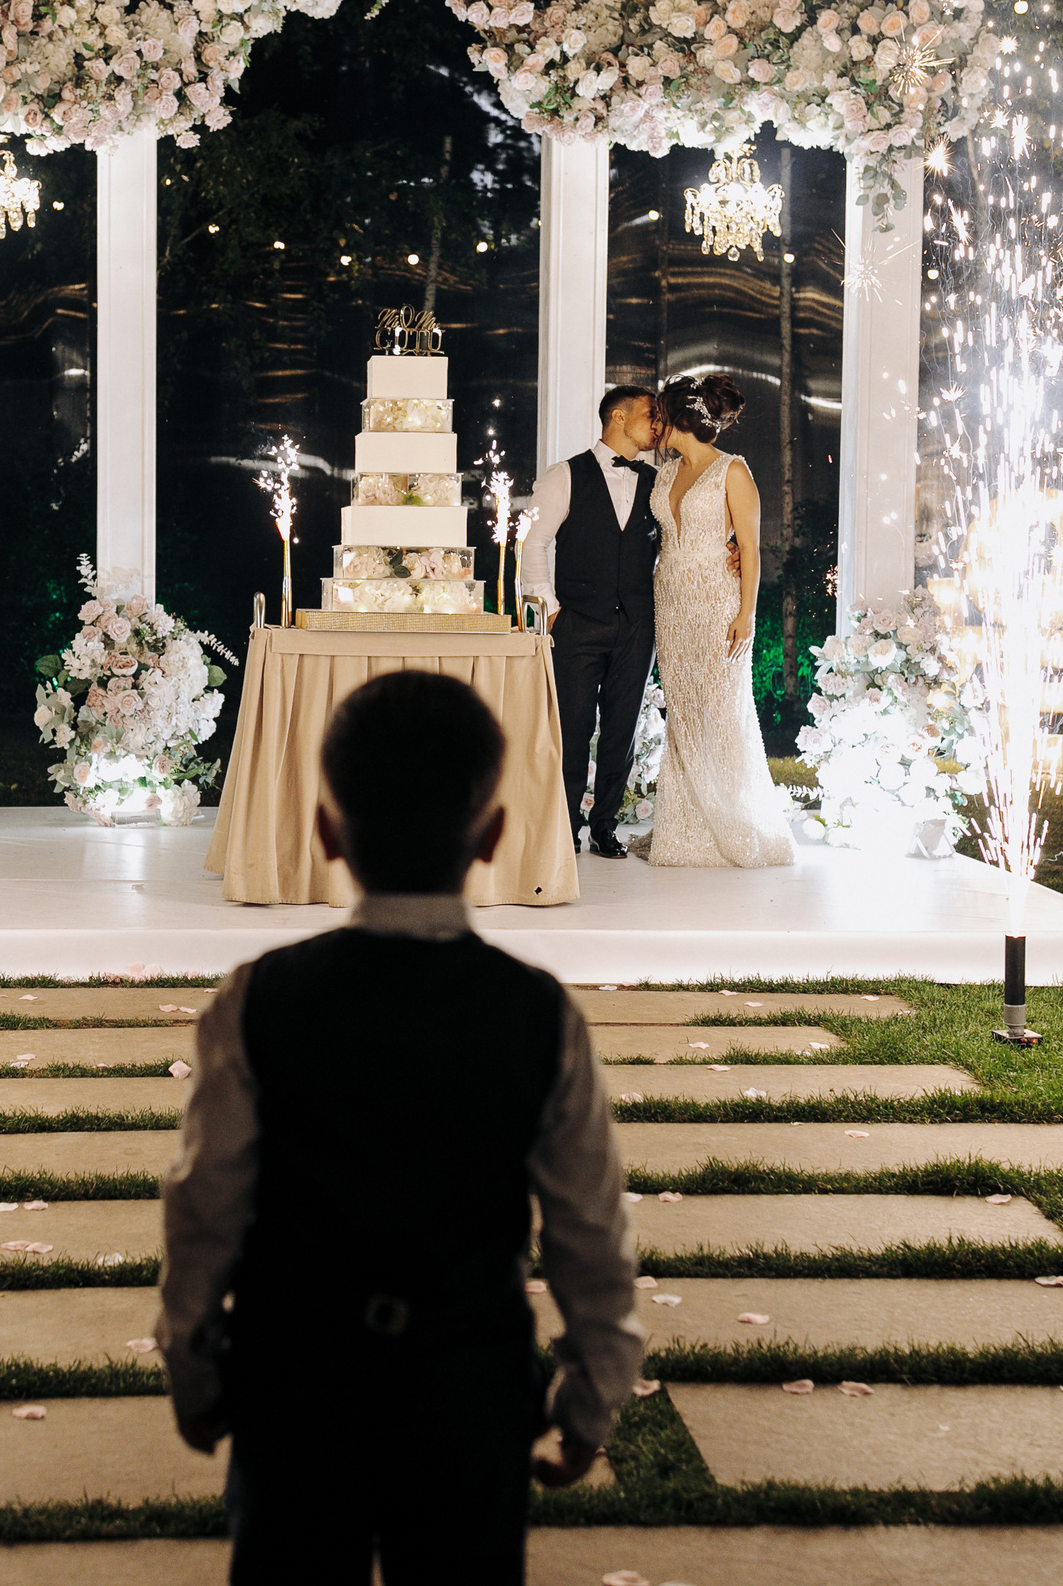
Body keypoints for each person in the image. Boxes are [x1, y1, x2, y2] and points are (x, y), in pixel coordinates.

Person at [157, 670, 644, 1586]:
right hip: (468, 1383)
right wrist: (590, 1398)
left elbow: (205, 1205)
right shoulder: (538, 1014)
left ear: (327, 833)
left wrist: (194, 1362)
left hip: (297, 1381)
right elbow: (589, 1228)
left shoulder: (256, 999)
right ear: (494, 836)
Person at [643, 373, 798, 868]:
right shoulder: (665, 472)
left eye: (660, 416)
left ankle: (730, 821)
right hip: (669, 599)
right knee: (684, 708)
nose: (655, 424)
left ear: (678, 418)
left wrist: (745, 615)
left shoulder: (733, 470)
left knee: (720, 708)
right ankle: (681, 826)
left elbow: (750, 549)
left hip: (716, 600)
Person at [516, 385, 663, 858]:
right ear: (618, 417)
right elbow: (533, 542)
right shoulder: (565, 475)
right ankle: (565, 824)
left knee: (623, 731)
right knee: (574, 728)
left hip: (637, 626)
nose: (657, 426)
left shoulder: (658, 481)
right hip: (576, 625)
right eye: (649, 416)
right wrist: (550, 609)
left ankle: (605, 827)